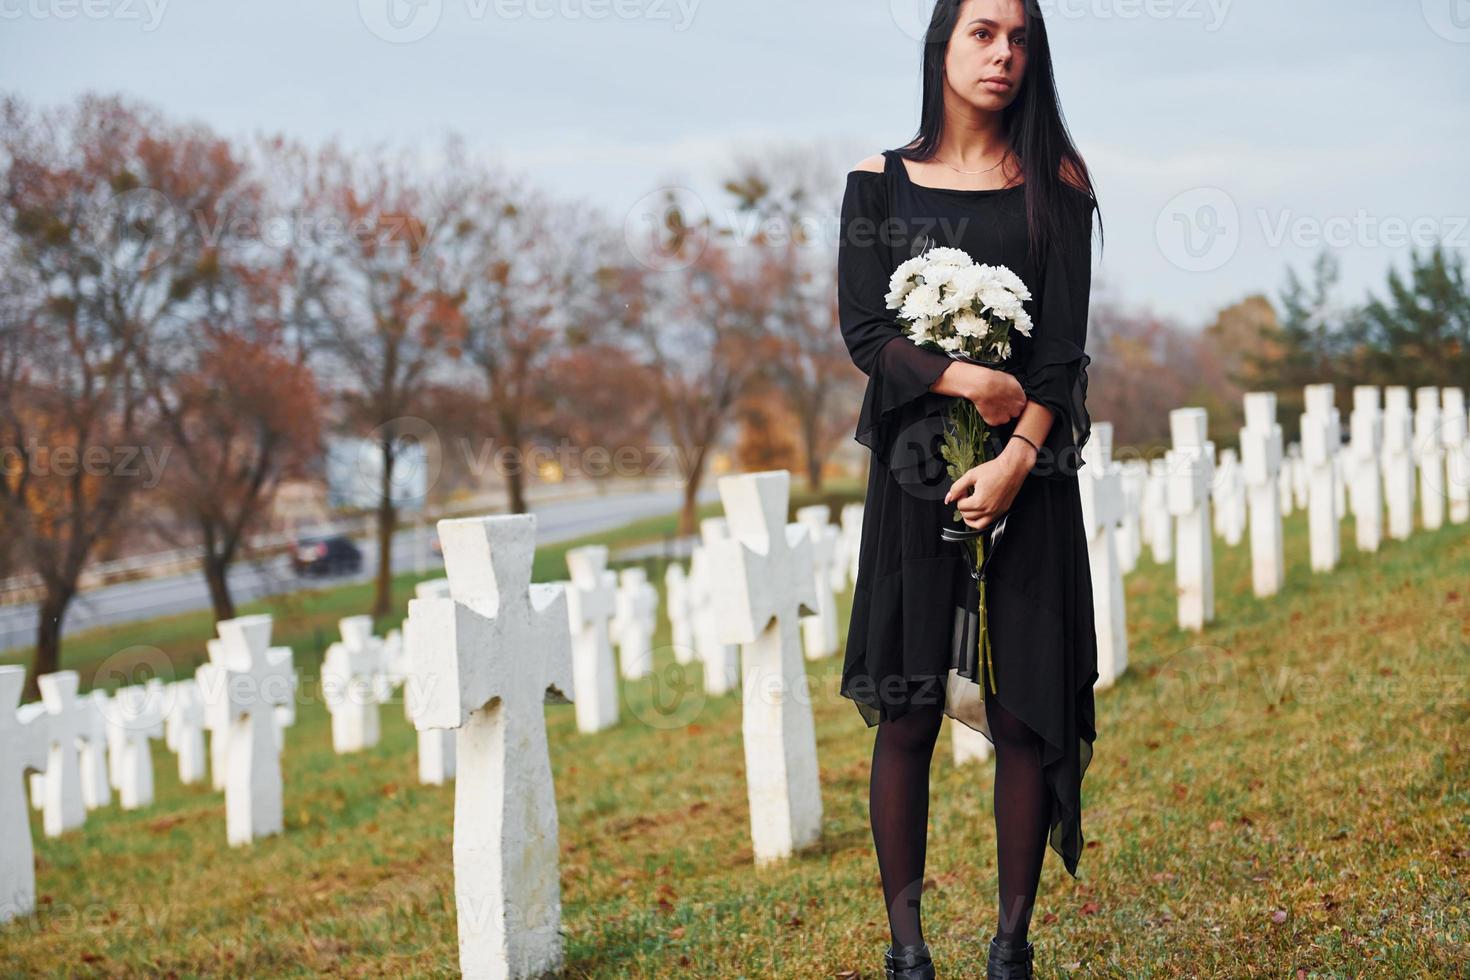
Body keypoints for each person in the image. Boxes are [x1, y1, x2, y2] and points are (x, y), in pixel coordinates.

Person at [836, 2, 1103, 978]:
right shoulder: (879, 184)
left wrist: (1016, 452)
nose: (1003, 54)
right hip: (914, 475)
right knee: (907, 708)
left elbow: (1066, 357)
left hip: (1029, 477)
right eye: (983, 33)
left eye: (1020, 38)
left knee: (1025, 715)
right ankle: (909, 953)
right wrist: (969, 383)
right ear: (941, 46)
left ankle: (1010, 948)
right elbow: (867, 332)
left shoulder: (1058, 186)